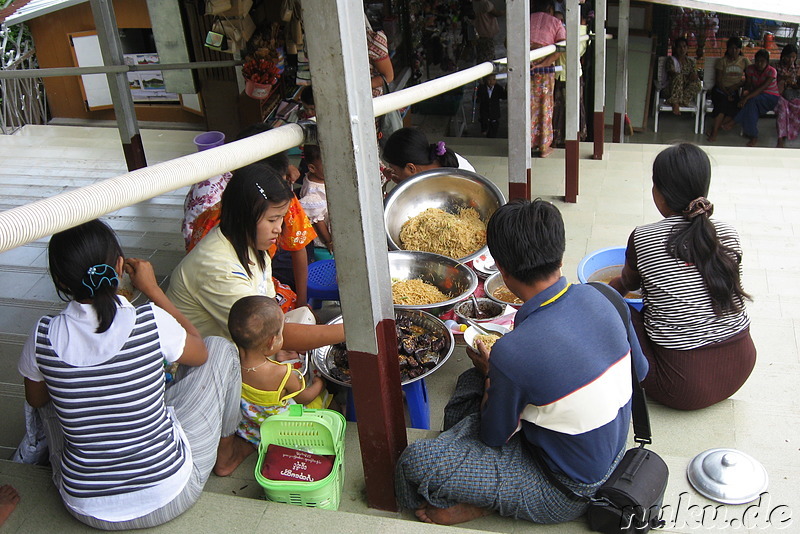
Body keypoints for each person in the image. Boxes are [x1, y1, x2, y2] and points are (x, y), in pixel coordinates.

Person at [395, 199, 648, 526]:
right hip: (614, 450)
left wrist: (494, 377)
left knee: (413, 464)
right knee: (470, 382)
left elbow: (493, 437)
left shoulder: (513, 352)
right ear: (560, 253)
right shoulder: (606, 296)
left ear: (502, 269)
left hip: (565, 491)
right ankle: (483, 483)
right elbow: (640, 372)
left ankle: (486, 498)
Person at [18, 219, 242, 529]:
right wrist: (153, 291)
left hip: (85, 507)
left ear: (61, 281)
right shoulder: (149, 320)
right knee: (220, 347)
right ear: (120, 266)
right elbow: (201, 352)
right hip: (171, 495)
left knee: (49, 397)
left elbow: (36, 398)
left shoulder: (42, 335)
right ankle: (227, 456)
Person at [610, 143, 756, 411]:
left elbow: (626, 285)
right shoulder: (728, 233)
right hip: (741, 367)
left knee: (618, 309)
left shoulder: (644, 238)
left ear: (660, 194)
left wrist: (603, 291)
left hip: (682, 387)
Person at [168, 163, 345, 352]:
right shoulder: (218, 268)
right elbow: (264, 334)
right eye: (272, 219)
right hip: (207, 359)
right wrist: (349, 331)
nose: (278, 228)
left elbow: (268, 307)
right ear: (243, 215)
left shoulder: (253, 245)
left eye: (281, 218)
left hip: (243, 345)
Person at [186, 124, 317, 308]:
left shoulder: (269, 198)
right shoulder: (217, 256)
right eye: (273, 219)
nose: (278, 229)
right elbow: (260, 325)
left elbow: (298, 246)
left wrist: (301, 305)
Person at [216, 295, 331, 475]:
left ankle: (253, 446)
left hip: (249, 429)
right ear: (272, 342)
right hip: (281, 431)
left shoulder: (232, 362)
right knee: (323, 401)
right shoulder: (282, 374)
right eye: (281, 332)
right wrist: (320, 384)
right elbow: (304, 398)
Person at [529, 0, 565, 157]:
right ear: (550, 9)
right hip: (544, 69)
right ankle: (543, 147)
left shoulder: (527, 19)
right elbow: (561, 47)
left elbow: (508, 41)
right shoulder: (556, 22)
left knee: (527, 105)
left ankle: (526, 144)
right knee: (544, 105)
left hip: (525, 67)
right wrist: (543, 63)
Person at [381, 127, 475, 185]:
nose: (394, 173)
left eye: (395, 169)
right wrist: (403, 182)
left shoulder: (454, 181)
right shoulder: (437, 157)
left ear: (411, 168)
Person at [733, 49, 779, 147]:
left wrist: (746, 98)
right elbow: (748, 84)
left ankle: (734, 121)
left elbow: (762, 88)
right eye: (757, 60)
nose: (759, 63)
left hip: (771, 98)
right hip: (755, 97)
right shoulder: (750, 69)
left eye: (762, 61)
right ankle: (753, 136)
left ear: (767, 62)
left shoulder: (772, 71)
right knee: (752, 107)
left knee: (751, 101)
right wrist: (745, 93)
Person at [706, 37, 749, 142]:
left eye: (736, 49)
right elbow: (718, 81)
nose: (734, 51)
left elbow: (749, 78)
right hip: (720, 90)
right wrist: (726, 92)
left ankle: (714, 128)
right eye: (731, 48)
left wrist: (738, 85)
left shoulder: (744, 61)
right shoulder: (722, 61)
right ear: (728, 49)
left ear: (740, 49)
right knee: (722, 105)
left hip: (734, 90)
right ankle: (714, 133)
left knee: (737, 107)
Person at [299, 144, 333, 255]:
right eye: (326, 166)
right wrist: (329, 241)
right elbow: (318, 221)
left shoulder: (317, 177)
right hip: (324, 237)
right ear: (312, 168)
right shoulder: (313, 193)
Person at [664, 37, 701, 115]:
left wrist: (694, 76)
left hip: (684, 89)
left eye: (684, 47)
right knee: (678, 76)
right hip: (672, 88)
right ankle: (676, 103)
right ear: (676, 48)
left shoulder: (690, 62)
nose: (682, 49)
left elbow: (693, 75)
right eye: (679, 47)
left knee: (697, 83)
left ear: (687, 48)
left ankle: (681, 101)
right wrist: (686, 76)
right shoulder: (671, 60)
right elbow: (671, 73)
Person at [774, 44, 800, 148]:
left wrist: (794, 84)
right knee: (783, 111)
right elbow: (774, 83)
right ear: (783, 56)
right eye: (788, 57)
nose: (791, 59)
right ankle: (781, 138)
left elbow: (797, 84)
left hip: (793, 94)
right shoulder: (777, 66)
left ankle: (791, 133)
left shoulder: (797, 67)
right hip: (779, 94)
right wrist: (784, 80)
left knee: (796, 106)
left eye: (793, 57)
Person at [476, 74, 506, 138]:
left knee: (493, 131)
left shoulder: (498, 88)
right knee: (484, 130)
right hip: (484, 113)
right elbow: (477, 99)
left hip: (494, 113)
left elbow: (504, 96)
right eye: (489, 80)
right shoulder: (482, 88)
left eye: (493, 79)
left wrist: (506, 89)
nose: (491, 82)